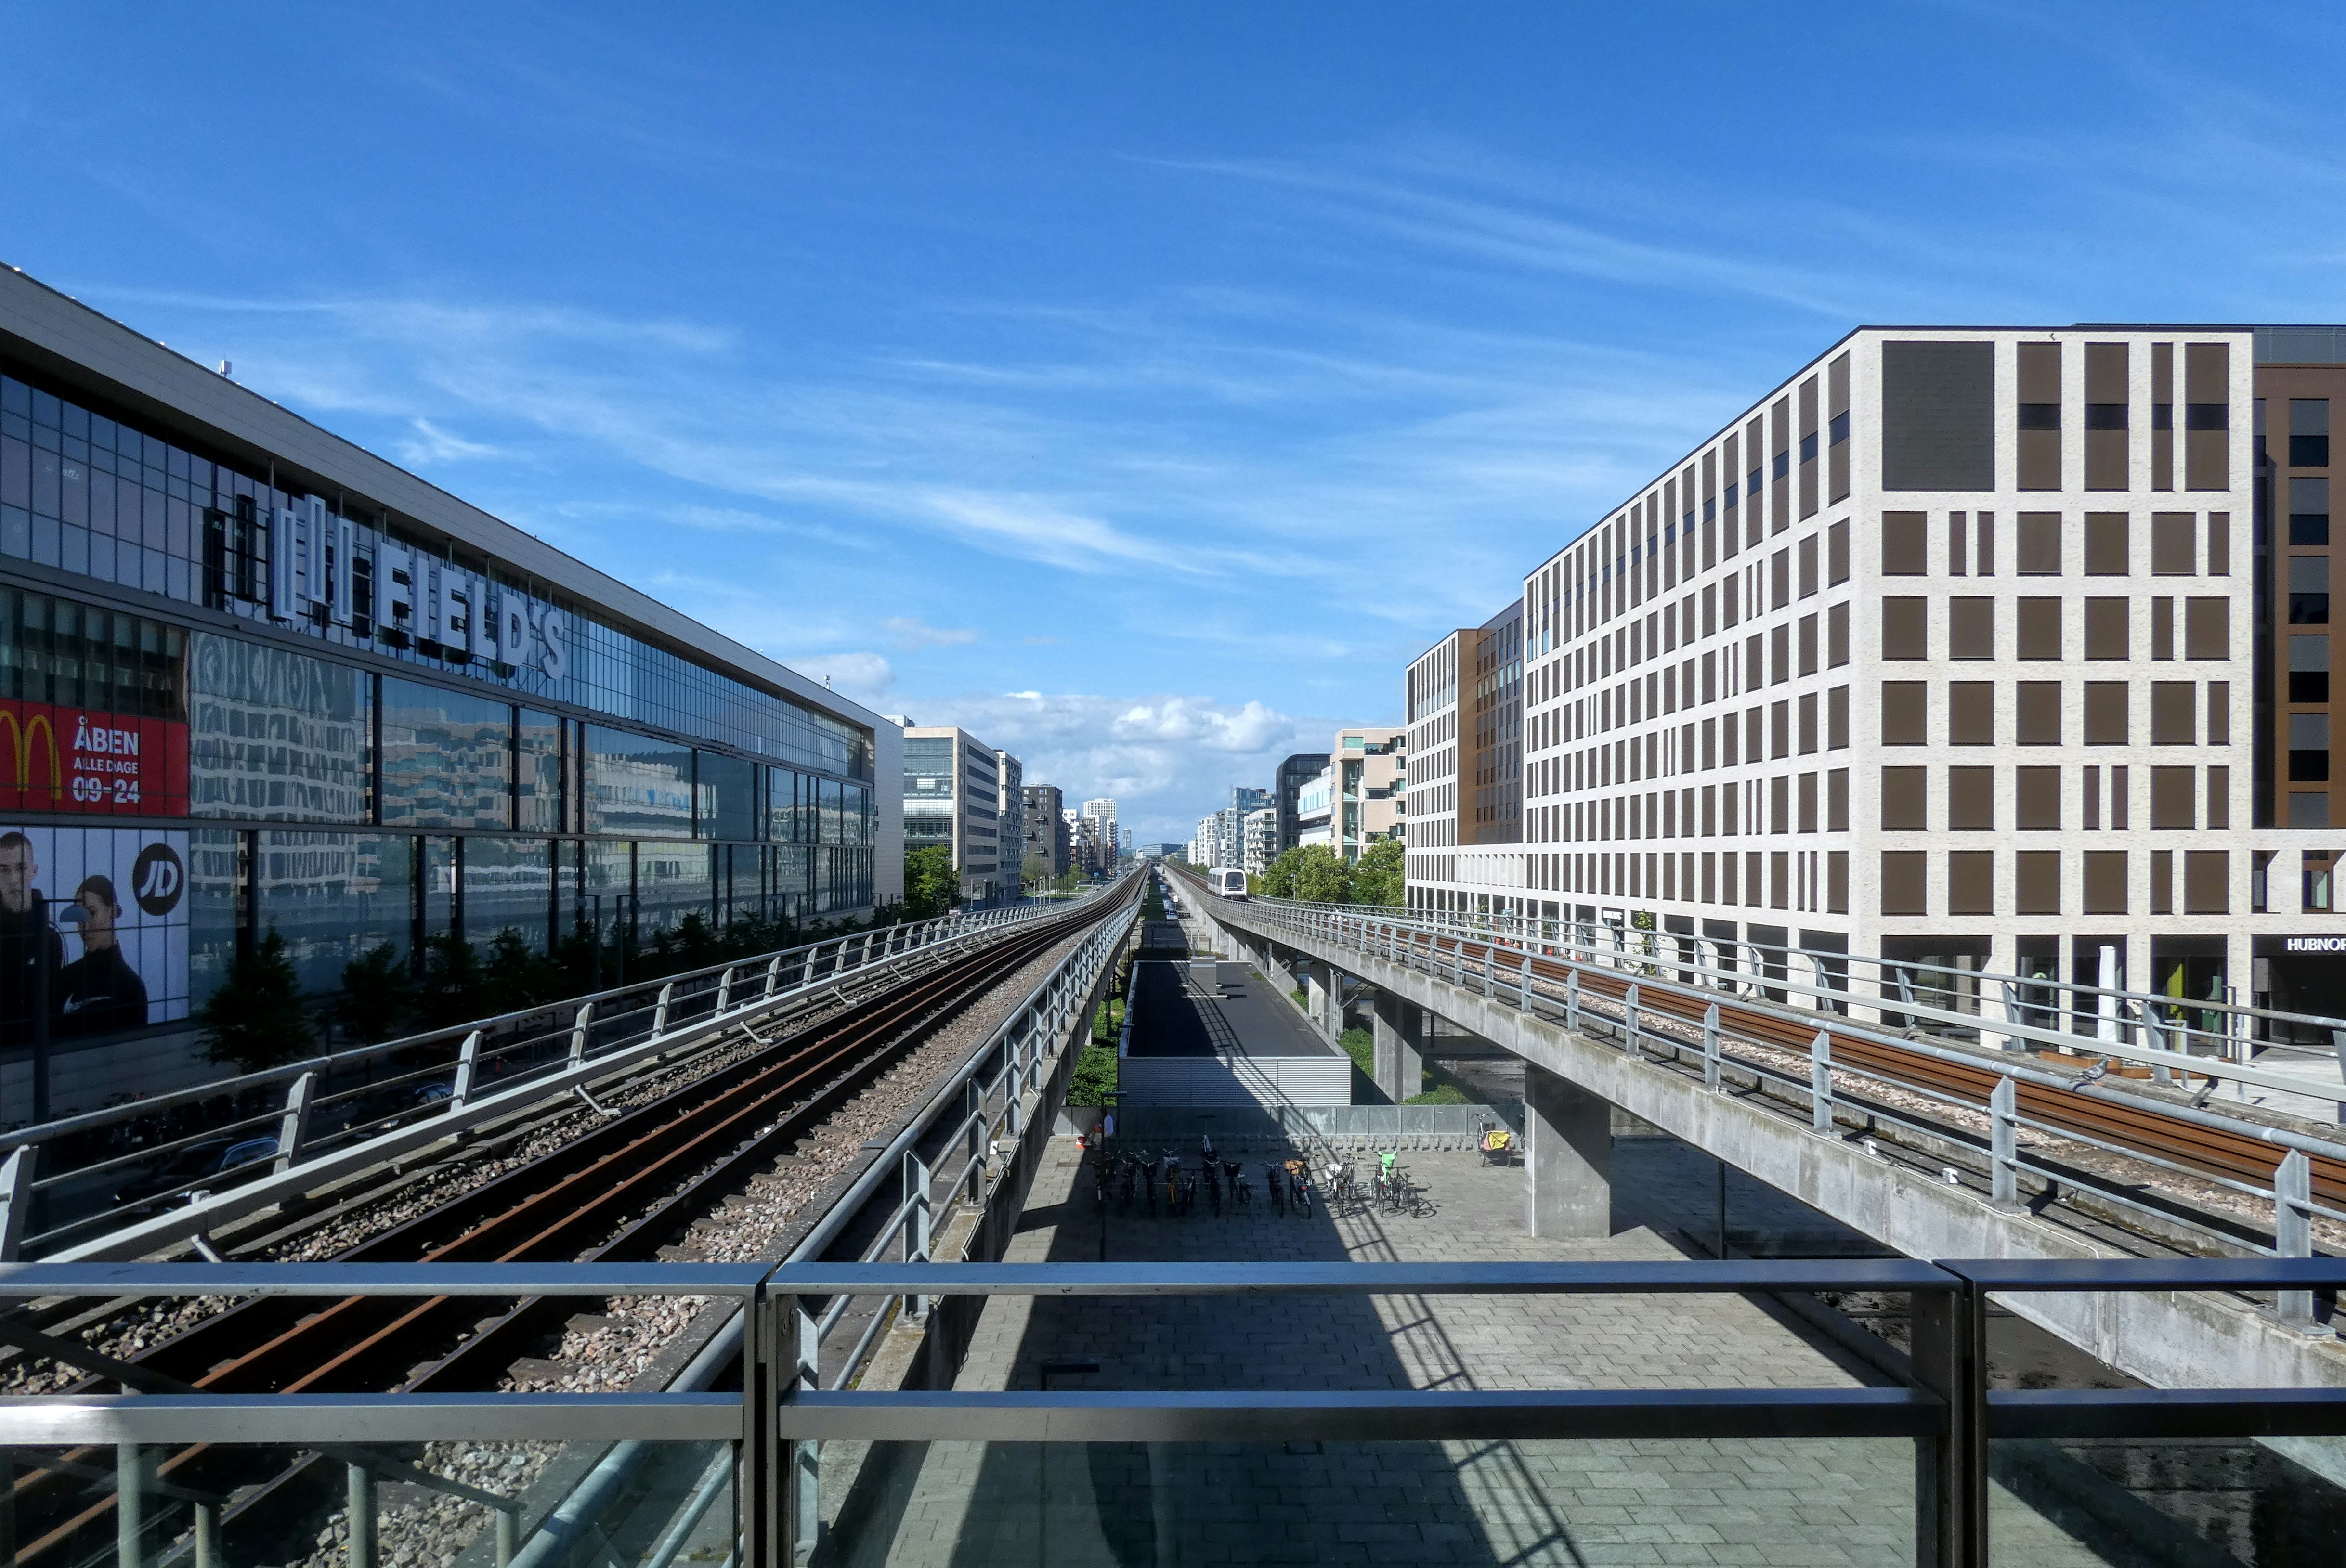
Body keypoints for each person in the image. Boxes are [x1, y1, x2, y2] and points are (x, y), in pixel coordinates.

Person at [59, 873, 148, 1037]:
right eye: (79, 917)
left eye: (92, 914)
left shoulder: (131, 987)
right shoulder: (65, 978)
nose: (85, 927)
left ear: (112, 911)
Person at [0, 830, 62, 1044]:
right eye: (4, 870)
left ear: (33, 871)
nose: (13, 879)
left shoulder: (50, 940)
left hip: (38, 1050)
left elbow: (52, 1008)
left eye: (20, 868)